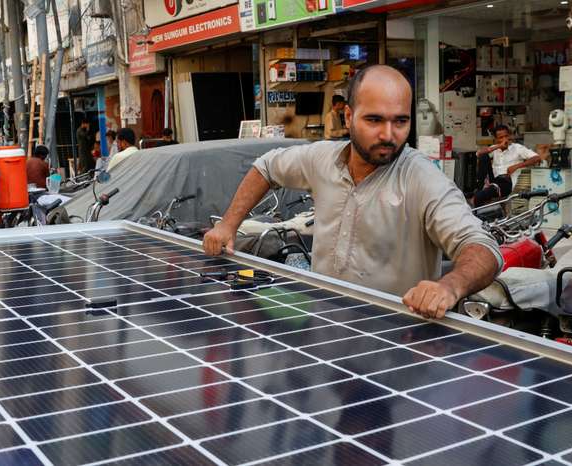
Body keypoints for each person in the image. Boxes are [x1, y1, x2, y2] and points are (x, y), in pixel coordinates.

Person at [204, 65, 502, 319]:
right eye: (374, 120)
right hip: (323, 329)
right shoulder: (321, 159)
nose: (388, 134)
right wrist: (229, 224)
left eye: (400, 121)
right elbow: (267, 167)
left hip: (392, 347)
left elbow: (483, 248)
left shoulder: (422, 179)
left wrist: (449, 287)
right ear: (348, 117)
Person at [472, 125, 546, 207]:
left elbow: (536, 158)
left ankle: (479, 204)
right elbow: (478, 154)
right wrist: (499, 146)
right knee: (484, 156)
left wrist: (517, 166)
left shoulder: (517, 148)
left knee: (479, 197)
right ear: (496, 139)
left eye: (506, 136)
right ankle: (479, 188)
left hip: (508, 182)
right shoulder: (495, 148)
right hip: (494, 179)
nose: (505, 139)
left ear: (509, 136)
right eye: (501, 137)